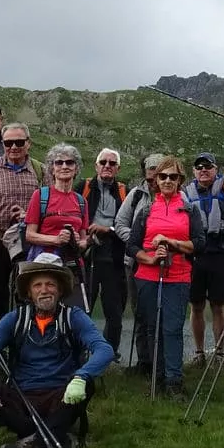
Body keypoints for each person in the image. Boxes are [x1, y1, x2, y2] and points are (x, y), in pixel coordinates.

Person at [0, 254, 113, 448]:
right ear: (28, 292)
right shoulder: (14, 318)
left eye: (50, 284)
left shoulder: (74, 316)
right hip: (22, 398)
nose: (44, 290)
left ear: (60, 290)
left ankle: (27, 445)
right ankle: (59, 439)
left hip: (62, 396)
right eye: (37, 285)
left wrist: (81, 377)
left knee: (88, 384)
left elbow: (104, 350)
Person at [127, 156, 204, 396]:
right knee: (153, 328)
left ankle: (174, 381)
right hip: (148, 276)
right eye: (163, 176)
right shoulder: (146, 210)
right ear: (156, 180)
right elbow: (131, 245)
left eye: (173, 176)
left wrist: (172, 243)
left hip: (178, 276)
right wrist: (149, 259)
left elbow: (199, 243)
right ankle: (157, 377)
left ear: (180, 180)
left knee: (172, 328)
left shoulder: (190, 210)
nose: (168, 181)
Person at [0, 123, 42, 334]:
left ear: (28, 144)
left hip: (28, 241)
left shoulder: (40, 170)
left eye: (19, 142)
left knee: (27, 293)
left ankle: (25, 340)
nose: (14, 147)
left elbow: (49, 204)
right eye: (8, 143)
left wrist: (28, 216)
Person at [12, 144, 90, 307]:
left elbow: (84, 240)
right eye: (59, 162)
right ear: (52, 169)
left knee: (74, 312)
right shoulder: (40, 196)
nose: (64, 166)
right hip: (45, 265)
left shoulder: (81, 201)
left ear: (76, 169)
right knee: (45, 311)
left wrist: (78, 241)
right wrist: (56, 240)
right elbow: (29, 235)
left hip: (73, 266)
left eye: (70, 162)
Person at [76, 148, 128, 358]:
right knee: (83, 306)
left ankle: (108, 353)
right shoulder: (83, 187)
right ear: (96, 166)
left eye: (112, 163)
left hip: (115, 257)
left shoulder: (124, 191)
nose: (107, 166)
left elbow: (130, 223)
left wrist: (109, 230)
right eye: (103, 162)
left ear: (118, 168)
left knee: (115, 311)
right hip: (87, 255)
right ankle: (80, 352)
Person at [114, 153, 163, 369]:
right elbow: (120, 223)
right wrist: (138, 244)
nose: (154, 176)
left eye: (158, 170)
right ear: (145, 171)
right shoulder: (135, 195)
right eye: (150, 170)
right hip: (135, 263)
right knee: (141, 312)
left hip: (166, 263)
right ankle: (144, 362)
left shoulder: (177, 196)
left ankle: (162, 363)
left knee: (163, 314)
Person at [183, 152, 224, 364]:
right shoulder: (186, 193)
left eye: (208, 166)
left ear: (216, 170)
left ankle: (220, 353)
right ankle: (199, 352)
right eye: (199, 167)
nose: (203, 170)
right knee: (196, 305)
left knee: (219, 305)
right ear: (194, 171)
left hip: (219, 254)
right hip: (195, 255)